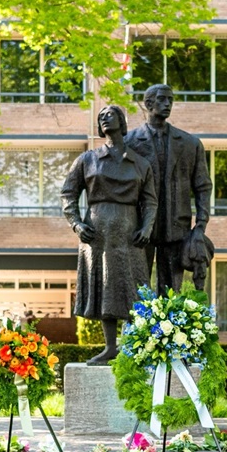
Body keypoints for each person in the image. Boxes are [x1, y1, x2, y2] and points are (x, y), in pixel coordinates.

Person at [61, 105, 157, 365]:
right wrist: (76, 224)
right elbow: (68, 194)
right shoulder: (87, 160)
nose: (104, 118)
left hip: (129, 232)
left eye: (110, 114)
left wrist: (146, 227)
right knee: (106, 288)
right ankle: (111, 347)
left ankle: (133, 345)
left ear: (122, 122)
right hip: (98, 233)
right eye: (101, 116)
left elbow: (150, 201)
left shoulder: (140, 163)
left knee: (133, 287)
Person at [125, 84, 212, 296]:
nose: (167, 104)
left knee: (171, 292)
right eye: (162, 99)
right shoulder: (129, 142)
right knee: (137, 291)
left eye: (170, 100)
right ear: (148, 104)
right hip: (140, 227)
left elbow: (203, 186)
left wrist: (200, 225)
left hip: (176, 227)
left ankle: (171, 320)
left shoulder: (190, 144)